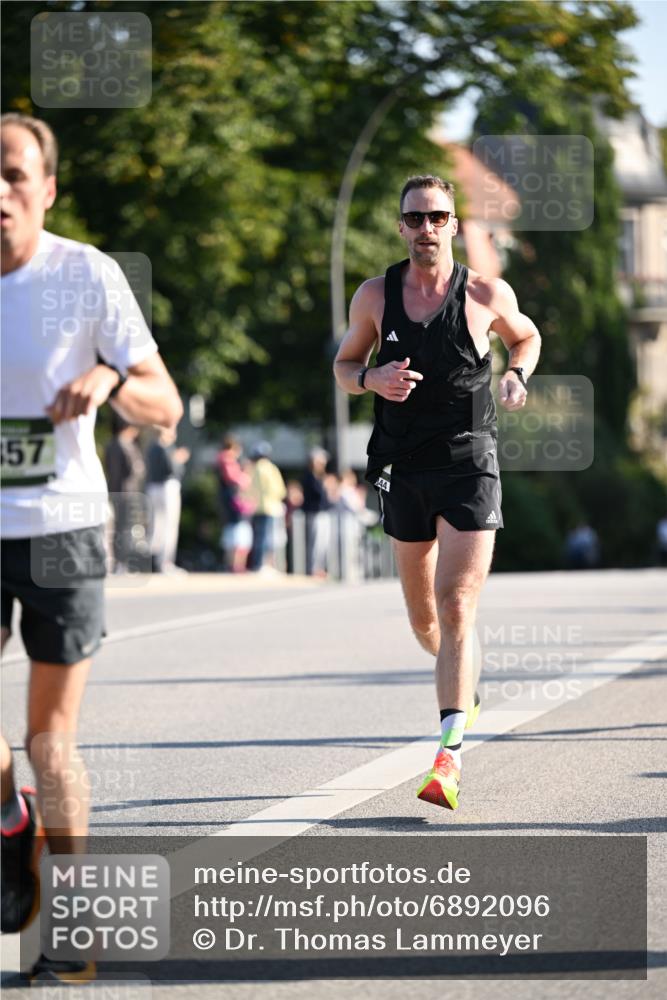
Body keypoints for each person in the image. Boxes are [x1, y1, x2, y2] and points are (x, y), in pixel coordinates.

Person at [0, 113, 182, 979]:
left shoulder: (84, 274)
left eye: (13, 173)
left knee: (50, 741)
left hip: (61, 528)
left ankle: (72, 932)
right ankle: (11, 822)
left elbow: (165, 401)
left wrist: (110, 377)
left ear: (46, 188)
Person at [333, 174, 541, 810]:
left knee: (455, 605)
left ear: (453, 224)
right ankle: (464, 675)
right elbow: (344, 367)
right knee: (425, 620)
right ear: (401, 226)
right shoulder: (375, 295)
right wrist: (372, 379)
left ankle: (447, 758)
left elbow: (526, 336)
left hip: (469, 461)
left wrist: (516, 374)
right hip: (402, 466)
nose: (426, 228)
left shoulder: (484, 292)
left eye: (437, 217)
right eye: (415, 218)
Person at [104, 413, 148, 573]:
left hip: (129, 492)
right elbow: (119, 472)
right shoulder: (117, 445)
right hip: (122, 492)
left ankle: (123, 561)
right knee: (121, 529)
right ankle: (119, 561)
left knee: (127, 528)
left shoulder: (127, 445)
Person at [145, 427, 190, 573]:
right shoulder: (166, 449)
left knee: (156, 525)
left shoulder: (151, 448)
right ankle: (165, 562)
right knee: (169, 525)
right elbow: (172, 469)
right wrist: (178, 460)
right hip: (167, 487)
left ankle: (154, 560)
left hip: (153, 487)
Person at [247, 442, 286, 573]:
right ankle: (263, 565)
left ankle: (257, 564)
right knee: (268, 538)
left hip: (256, 507)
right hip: (270, 508)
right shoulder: (270, 468)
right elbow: (280, 490)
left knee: (258, 537)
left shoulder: (253, 468)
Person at [216, 435, 254, 572]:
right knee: (237, 530)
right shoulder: (227, 459)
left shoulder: (225, 459)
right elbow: (232, 477)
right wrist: (244, 477)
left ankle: (235, 564)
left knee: (237, 530)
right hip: (232, 500)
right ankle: (235, 564)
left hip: (231, 499)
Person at [301, 447, 334, 577]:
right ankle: (313, 568)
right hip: (314, 513)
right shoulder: (309, 477)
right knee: (315, 543)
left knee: (323, 544)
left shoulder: (320, 477)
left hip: (323, 513)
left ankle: (320, 567)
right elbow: (317, 494)